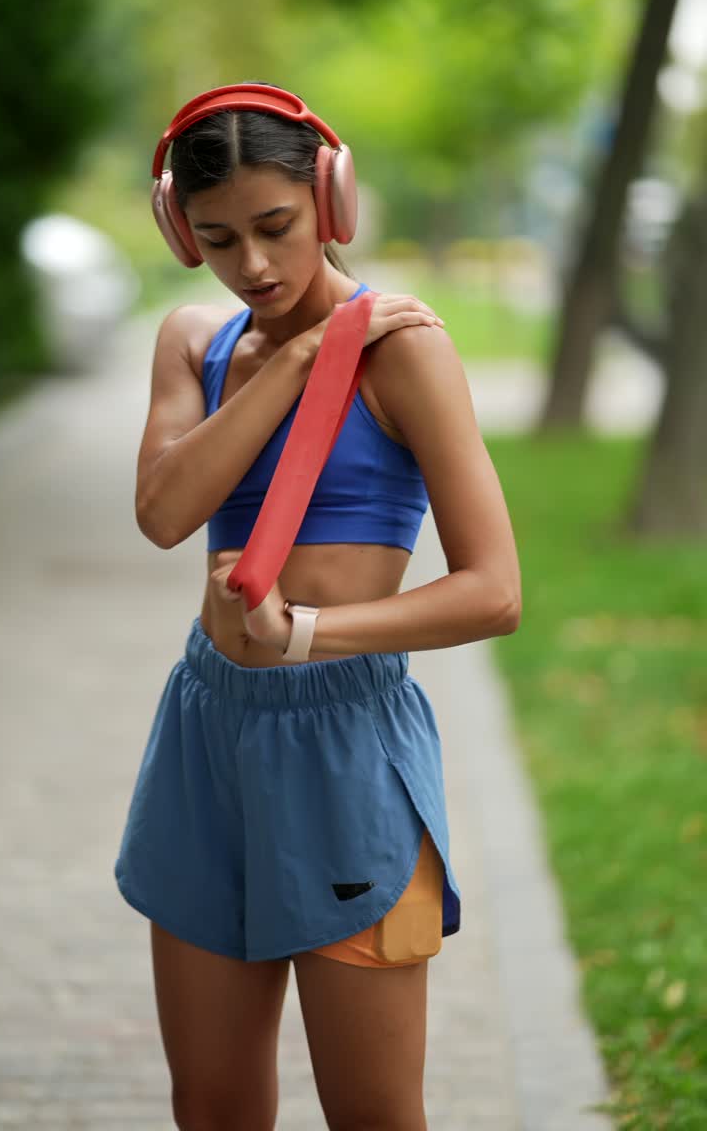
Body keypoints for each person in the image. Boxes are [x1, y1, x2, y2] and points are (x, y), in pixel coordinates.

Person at [114, 83, 521, 1131]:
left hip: (346, 743)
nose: (253, 264)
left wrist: (306, 634)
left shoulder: (405, 347)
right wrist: (301, 355)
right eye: (217, 239)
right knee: (210, 1105)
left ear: (330, 201)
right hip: (207, 733)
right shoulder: (196, 342)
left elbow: (494, 591)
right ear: (180, 231)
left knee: (372, 1113)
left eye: (276, 226)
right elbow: (163, 513)